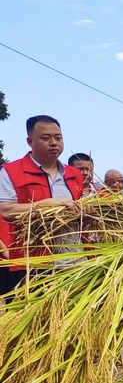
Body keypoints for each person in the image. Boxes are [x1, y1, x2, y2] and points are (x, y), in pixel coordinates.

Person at [0, 115, 84, 291]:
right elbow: (7, 212)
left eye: (58, 137)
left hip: (73, 261)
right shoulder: (11, 171)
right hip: (32, 264)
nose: (53, 142)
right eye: (46, 138)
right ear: (30, 141)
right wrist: (47, 204)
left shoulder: (74, 174)